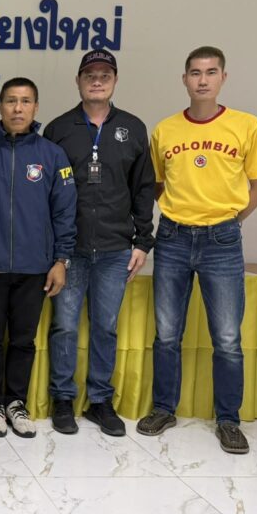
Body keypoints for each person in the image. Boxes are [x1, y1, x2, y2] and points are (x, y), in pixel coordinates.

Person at [137, 46, 257, 454]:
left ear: (223, 78)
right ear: (184, 80)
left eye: (211, 72)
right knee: (167, 333)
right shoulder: (165, 130)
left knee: (227, 338)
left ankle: (228, 420)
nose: (202, 80)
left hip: (222, 242)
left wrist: (230, 221)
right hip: (173, 238)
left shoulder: (246, 125)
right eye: (195, 73)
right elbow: (156, 185)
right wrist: (180, 215)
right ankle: (164, 409)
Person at [43, 51, 155, 437]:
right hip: (69, 250)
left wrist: (143, 241)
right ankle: (62, 398)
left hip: (115, 248)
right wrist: (54, 250)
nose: (96, 80)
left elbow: (143, 188)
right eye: (89, 74)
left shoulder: (133, 128)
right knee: (64, 327)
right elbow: (47, 194)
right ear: (77, 81)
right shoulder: (58, 129)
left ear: (115, 81)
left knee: (105, 328)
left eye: (104, 75)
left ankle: (100, 401)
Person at [0, 77, 77, 439]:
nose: (17, 108)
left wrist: (61, 260)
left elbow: (65, 212)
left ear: (36, 108)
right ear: (0, 106)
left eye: (25, 101)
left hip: (35, 267)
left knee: (24, 341)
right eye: (11, 101)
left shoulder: (52, 156)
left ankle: (16, 402)